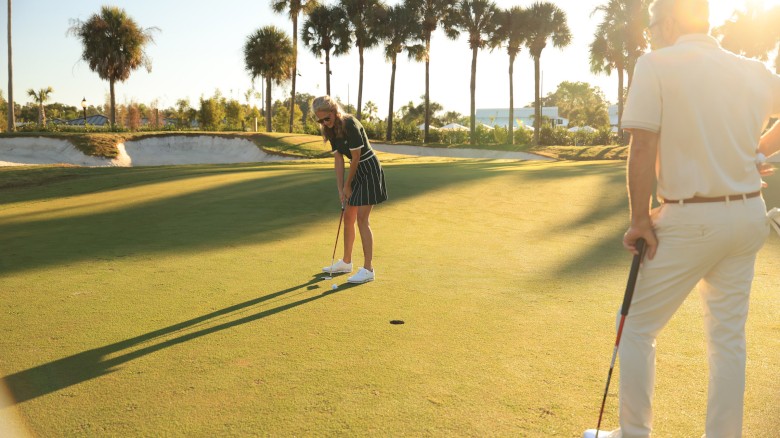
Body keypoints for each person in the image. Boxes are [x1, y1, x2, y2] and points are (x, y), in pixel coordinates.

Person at [584, 0, 780, 437]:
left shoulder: (655, 64)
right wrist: (761, 150)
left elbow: (643, 146)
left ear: (670, 21)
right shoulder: (752, 70)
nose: (650, 32)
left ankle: (633, 434)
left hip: (692, 219)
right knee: (728, 340)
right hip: (748, 216)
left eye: (653, 23)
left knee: (635, 327)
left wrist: (639, 220)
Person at [313, 95, 388, 284]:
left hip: (368, 168)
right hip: (355, 171)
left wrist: (348, 185)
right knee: (348, 216)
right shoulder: (330, 130)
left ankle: (368, 269)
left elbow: (356, 157)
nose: (324, 123)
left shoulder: (350, 124)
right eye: (319, 120)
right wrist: (340, 188)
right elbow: (339, 159)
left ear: (334, 111)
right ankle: (346, 262)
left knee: (362, 219)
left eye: (326, 119)